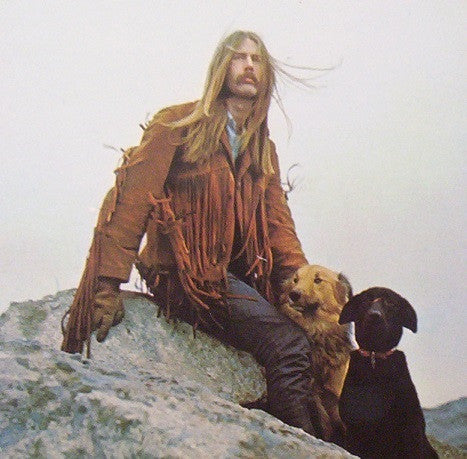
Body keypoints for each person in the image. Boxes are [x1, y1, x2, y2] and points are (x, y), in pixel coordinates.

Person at [62, 30, 316, 435]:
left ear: (266, 74)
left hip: (235, 279)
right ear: (221, 68)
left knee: (310, 339)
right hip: (189, 280)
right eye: (239, 57)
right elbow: (131, 204)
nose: (249, 65)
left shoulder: (261, 148)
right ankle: (303, 444)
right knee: (288, 345)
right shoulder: (177, 125)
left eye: (257, 59)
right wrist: (106, 286)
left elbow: (278, 226)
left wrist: (309, 285)